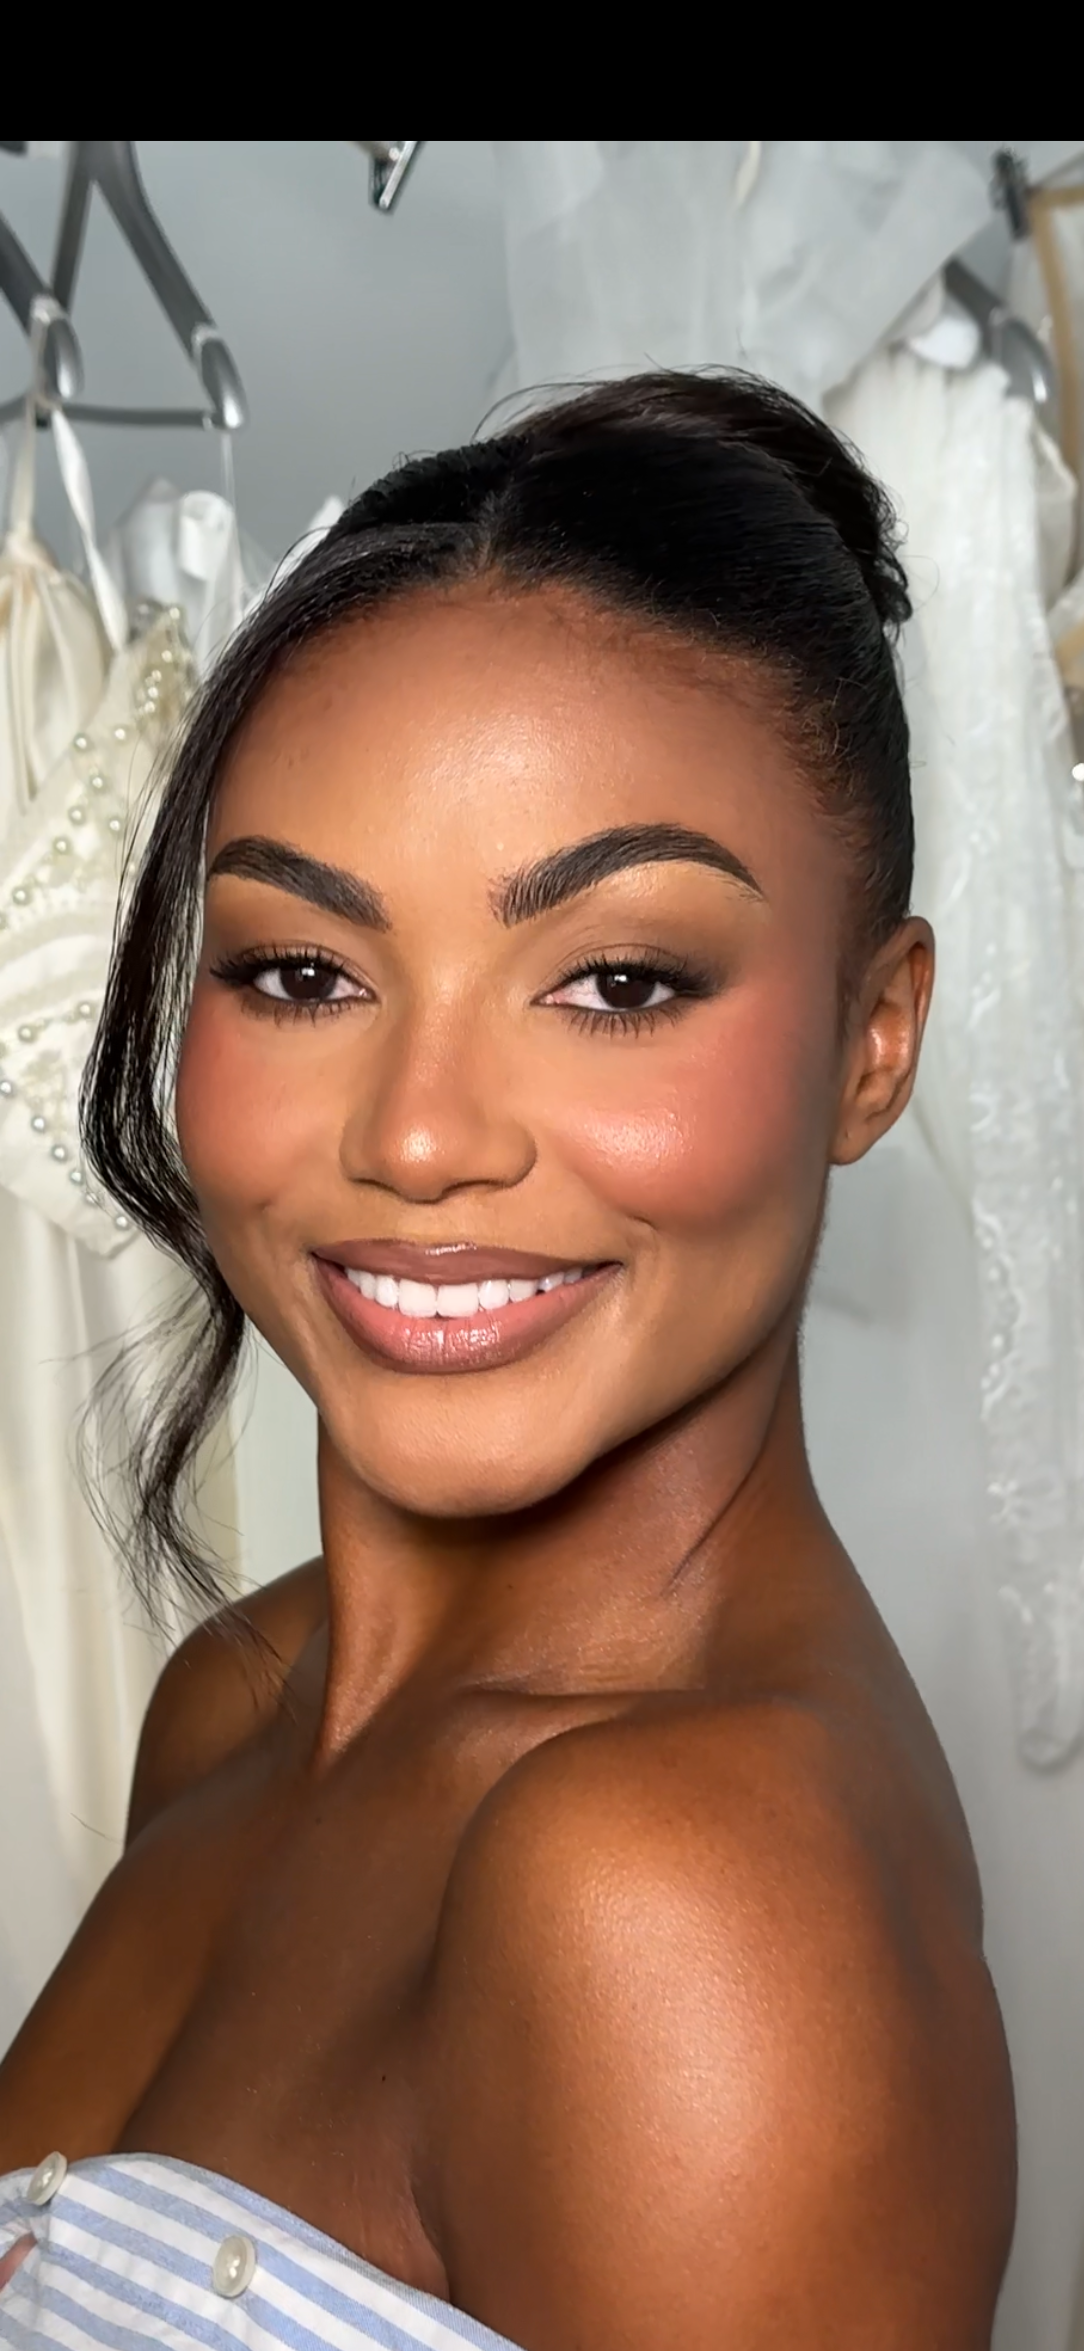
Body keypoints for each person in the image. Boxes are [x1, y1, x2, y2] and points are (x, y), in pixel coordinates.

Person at [0, 372, 1015, 2350]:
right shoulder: (239, 1700)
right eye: (302, 969)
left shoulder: (682, 1897)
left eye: (615, 981)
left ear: (868, 1041)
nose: (418, 1131)